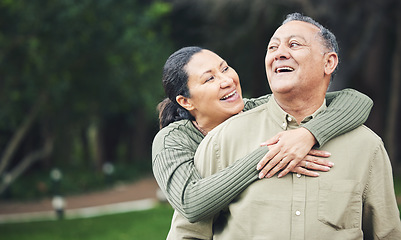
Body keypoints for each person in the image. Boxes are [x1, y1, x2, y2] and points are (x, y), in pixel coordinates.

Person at [172, 13, 401, 239]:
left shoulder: (366, 147)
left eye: (294, 44)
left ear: (328, 62)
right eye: (272, 48)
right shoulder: (222, 140)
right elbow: (188, 234)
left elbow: (387, 234)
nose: (280, 54)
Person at [153, 46, 372, 238]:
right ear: (185, 101)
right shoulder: (172, 140)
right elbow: (191, 203)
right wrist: (275, 154)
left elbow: (356, 100)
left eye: (225, 68)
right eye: (210, 78)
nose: (227, 80)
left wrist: (307, 135)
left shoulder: (257, 108)